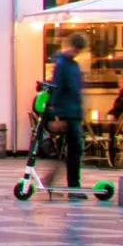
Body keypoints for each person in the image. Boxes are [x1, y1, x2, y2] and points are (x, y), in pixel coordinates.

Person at [42, 32, 88, 191]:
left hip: (73, 112)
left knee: (68, 150)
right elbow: (58, 89)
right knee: (74, 149)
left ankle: (54, 179)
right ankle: (74, 185)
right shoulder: (64, 65)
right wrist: (55, 115)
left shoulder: (70, 64)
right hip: (68, 113)